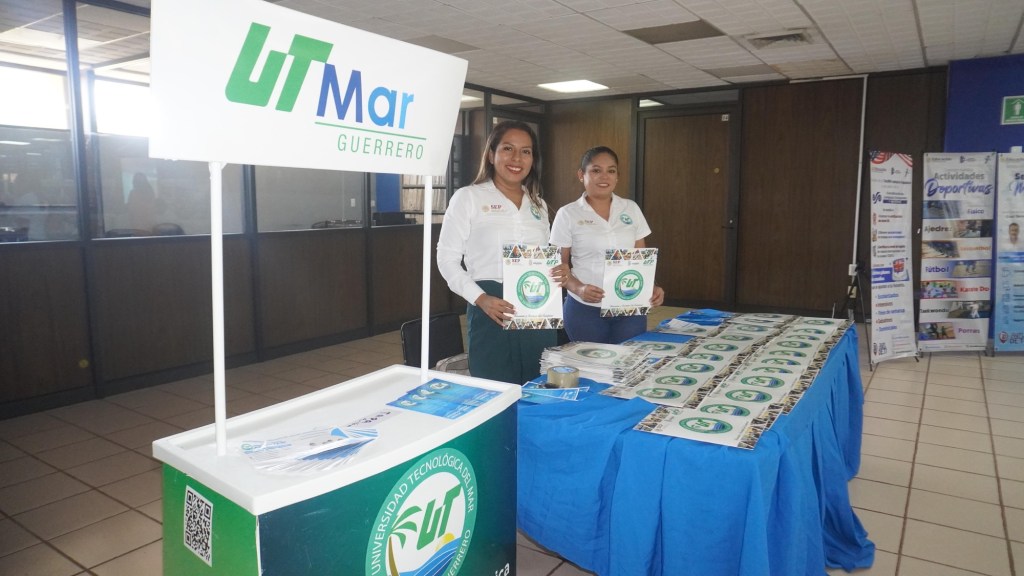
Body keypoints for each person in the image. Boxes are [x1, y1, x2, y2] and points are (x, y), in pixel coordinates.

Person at [436, 120, 565, 384]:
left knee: (538, 385)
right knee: (494, 387)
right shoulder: (468, 197)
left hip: (536, 304)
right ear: (491, 154)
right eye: (508, 148)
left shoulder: (538, 205)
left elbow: (544, 257)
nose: (517, 158)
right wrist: (480, 298)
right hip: (491, 305)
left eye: (526, 151)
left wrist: (559, 269)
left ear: (533, 159)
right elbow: (446, 259)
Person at [550, 146, 664, 344]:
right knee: (590, 360)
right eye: (596, 170)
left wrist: (651, 286)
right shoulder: (568, 213)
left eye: (611, 171)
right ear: (581, 175)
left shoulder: (631, 208)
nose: (604, 177)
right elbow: (559, 266)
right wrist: (579, 288)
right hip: (585, 308)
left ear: (617, 176)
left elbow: (641, 259)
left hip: (629, 305)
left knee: (627, 360)